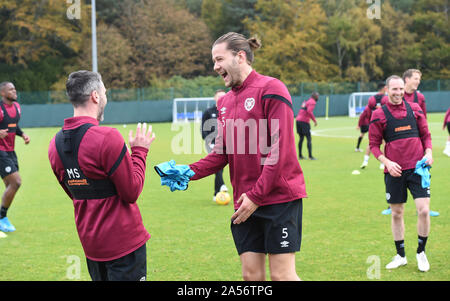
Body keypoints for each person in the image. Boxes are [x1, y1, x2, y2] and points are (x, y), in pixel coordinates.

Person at [167, 32, 307, 280]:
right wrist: (188, 172)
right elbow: (221, 153)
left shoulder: (272, 88)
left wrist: (256, 196)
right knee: (251, 276)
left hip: (278, 198)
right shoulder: (225, 103)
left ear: (240, 56)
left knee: (281, 276)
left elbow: (280, 150)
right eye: (214, 61)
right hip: (245, 202)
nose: (215, 66)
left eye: (219, 59)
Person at [48, 71, 155, 281]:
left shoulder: (55, 144)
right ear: (95, 96)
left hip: (92, 246)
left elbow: (76, 194)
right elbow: (131, 192)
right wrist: (140, 152)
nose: (106, 97)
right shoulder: (107, 137)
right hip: (124, 246)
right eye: (104, 92)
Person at [369, 75, 433, 272]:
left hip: (418, 169)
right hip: (394, 172)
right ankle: (400, 255)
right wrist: (386, 162)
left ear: (404, 89)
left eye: (400, 89)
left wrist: (429, 152)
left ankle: (421, 252)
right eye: (393, 89)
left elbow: (426, 135)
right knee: (397, 213)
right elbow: (374, 145)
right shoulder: (378, 115)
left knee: (423, 210)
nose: (397, 93)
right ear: (387, 90)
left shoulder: (415, 109)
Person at [0, 82, 30, 233]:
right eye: (11, 89)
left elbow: (13, 126)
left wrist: (22, 134)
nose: (14, 91)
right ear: (3, 93)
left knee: (9, 186)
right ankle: (2, 217)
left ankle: (3, 218)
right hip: (0, 151)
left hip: (10, 150)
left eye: (14, 88)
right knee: (16, 182)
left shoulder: (17, 107)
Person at [201, 89, 228, 202]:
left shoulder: (229, 110)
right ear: (215, 98)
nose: (221, 98)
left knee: (220, 168)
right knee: (218, 166)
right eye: (219, 96)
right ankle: (221, 185)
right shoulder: (208, 112)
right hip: (212, 144)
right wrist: (208, 142)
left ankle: (217, 192)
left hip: (228, 143)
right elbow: (203, 128)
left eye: (223, 96)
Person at [357, 82, 386, 169]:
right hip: (384, 124)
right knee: (385, 143)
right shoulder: (386, 99)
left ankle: (365, 161)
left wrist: (371, 122)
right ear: (384, 88)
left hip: (374, 124)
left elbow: (366, 112)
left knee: (371, 143)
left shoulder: (371, 99)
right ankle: (383, 163)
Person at [296, 92, 319, 160]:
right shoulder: (312, 102)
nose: (318, 97)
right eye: (317, 96)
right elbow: (309, 111)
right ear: (315, 96)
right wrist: (314, 120)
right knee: (309, 138)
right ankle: (310, 156)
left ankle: (300, 156)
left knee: (301, 138)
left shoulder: (306, 101)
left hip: (298, 120)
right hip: (304, 122)